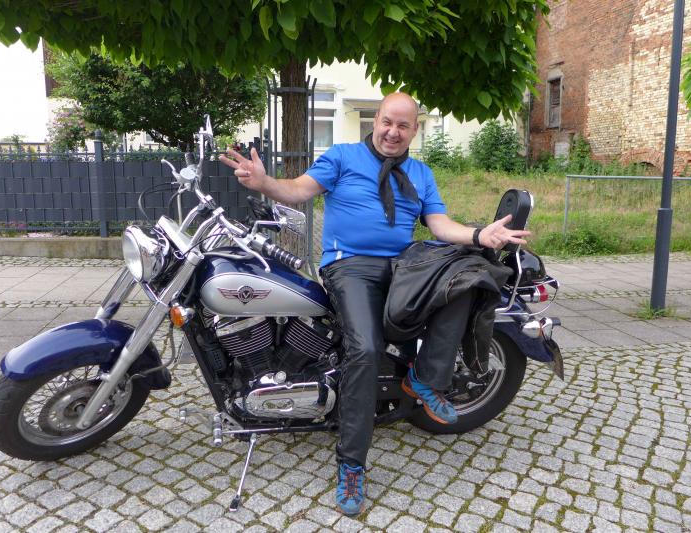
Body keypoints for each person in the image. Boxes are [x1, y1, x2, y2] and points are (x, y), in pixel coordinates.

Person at [220, 92, 529, 515]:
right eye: (387, 122)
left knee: (470, 275)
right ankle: (352, 463)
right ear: (375, 120)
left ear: (414, 130)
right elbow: (298, 189)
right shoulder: (343, 157)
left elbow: (439, 224)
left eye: (403, 126)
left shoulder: (420, 173)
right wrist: (264, 183)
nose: (392, 132)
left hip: (403, 266)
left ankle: (425, 378)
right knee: (363, 350)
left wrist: (480, 235)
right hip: (349, 266)